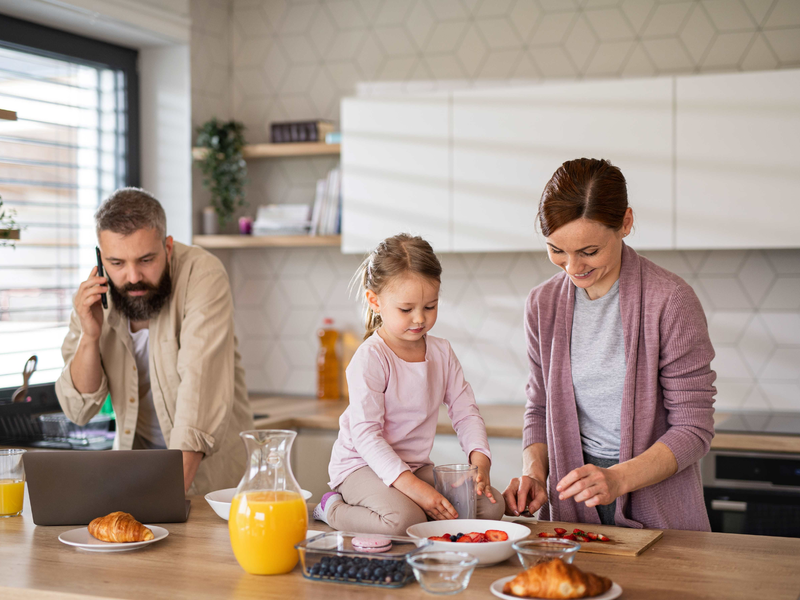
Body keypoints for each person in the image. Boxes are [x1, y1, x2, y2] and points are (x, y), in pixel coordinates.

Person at [503, 158, 716, 531]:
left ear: (626, 223)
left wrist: (617, 479)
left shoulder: (670, 300)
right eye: (556, 250)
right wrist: (535, 474)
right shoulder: (542, 304)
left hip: (656, 505)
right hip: (570, 506)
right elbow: (539, 407)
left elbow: (693, 429)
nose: (572, 267)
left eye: (589, 251)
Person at [55, 188, 253, 495]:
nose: (133, 276)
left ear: (168, 247)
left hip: (211, 486)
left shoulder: (203, 275)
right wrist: (89, 336)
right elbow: (77, 409)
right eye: (117, 263)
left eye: (146, 259)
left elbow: (197, 400)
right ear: (101, 256)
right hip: (135, 478)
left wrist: (164, 504)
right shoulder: (95, 294)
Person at [313, 233, 505, 535]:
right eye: (406, 309)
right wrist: (416, 490)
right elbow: (367, 438)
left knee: (491, 507)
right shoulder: (370, 358)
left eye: (430, 306)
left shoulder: (441, 352)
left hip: (413, 468)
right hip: (361, 467)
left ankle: (416, 510)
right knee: (404, 522)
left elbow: (465, 412)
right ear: (375, 301)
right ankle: (332, 507)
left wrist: (479, 463)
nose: (420, 319)